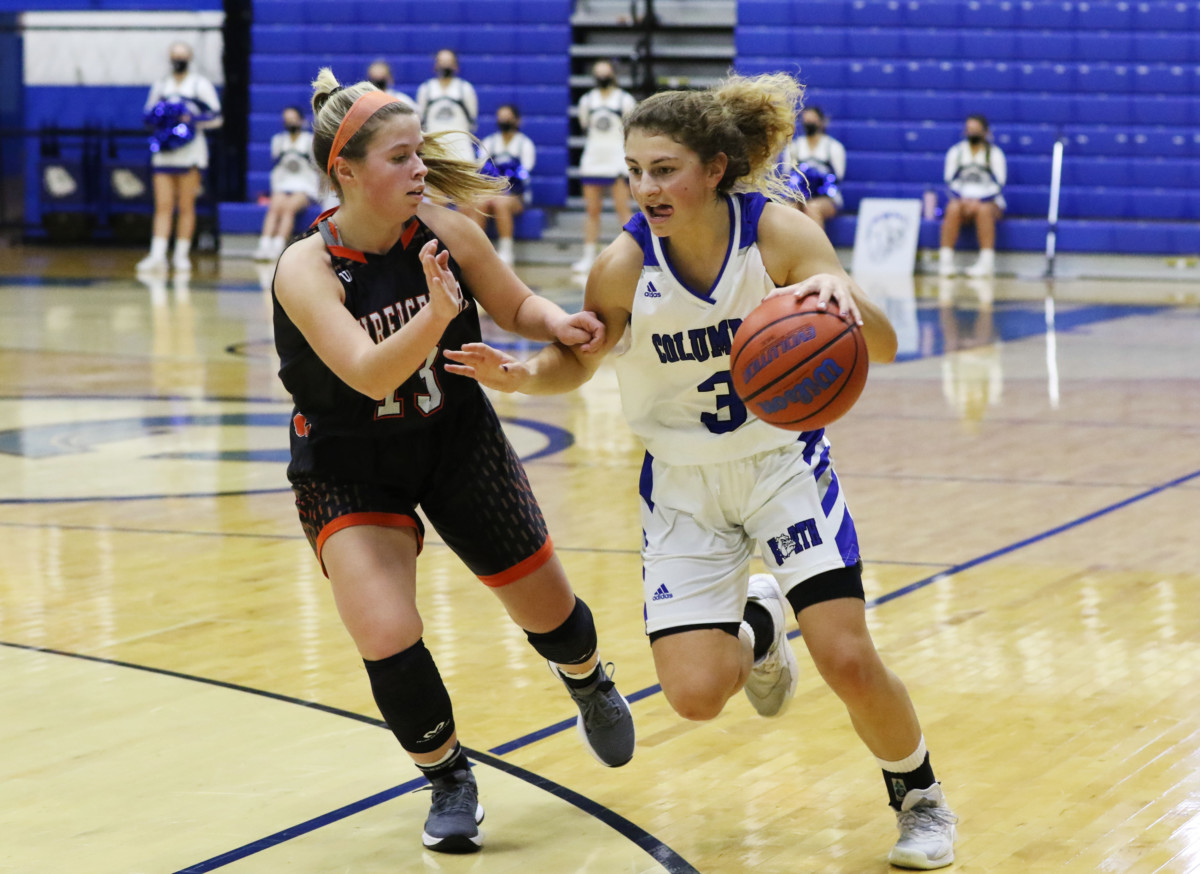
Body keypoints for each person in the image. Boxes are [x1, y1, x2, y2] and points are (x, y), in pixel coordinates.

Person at [444, 73, 959, 870]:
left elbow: (883, 348)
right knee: (693, 697)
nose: (645, 187)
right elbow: (572, 365)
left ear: (714, 169)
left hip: (781, 466)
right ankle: (756, 628)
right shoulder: (621, 266)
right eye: (634, 170)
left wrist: (843, 292)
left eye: (663, 169)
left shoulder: (780, 236)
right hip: (682, 486)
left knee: (846, 656)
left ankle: (919, 797)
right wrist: (520, 376)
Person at [271, 69, 636, 856]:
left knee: (550, 614)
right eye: (401, 158)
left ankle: (587, 676)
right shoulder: (304, 267)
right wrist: (436, 315)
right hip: (348, 464)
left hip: (454, 438)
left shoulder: (444, 226)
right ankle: (447, 776)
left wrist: (556, 324)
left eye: (420, 156)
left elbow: (512, 303)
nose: (419, 171)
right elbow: (369, 372)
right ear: (346, 172)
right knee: (385, 630)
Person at [137, 42, 222, 275]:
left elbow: (216, 117)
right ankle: (157, 255)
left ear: (190, 58)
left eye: (182, 56)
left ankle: (181, 255)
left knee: (186, 205)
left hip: (190, 153)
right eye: (175, 56)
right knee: (163, 205)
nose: (178, 60)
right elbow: (148, 115)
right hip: (164, 153)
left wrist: (190, 120)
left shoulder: (199, 85)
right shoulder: (161, 85)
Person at [572, 59, 636, 275]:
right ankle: (588, 255)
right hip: (592, 160)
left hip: (616, 161)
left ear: (613, 74)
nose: (601, 76)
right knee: (592, 211)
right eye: (597, 72)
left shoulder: (625, 99)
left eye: (605, 72)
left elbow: (631, 130)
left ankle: (632, 253)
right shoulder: (587, 100)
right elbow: (584, 126)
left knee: (622, 209)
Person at [466, 104, 536, 266]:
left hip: (516, 196)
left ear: (517, 120)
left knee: (501, 203)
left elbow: (524, 173)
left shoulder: (524, 144)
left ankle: (506, 250)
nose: (504, 121)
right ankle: (478, 249)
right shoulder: (490, 142)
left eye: (508, 117)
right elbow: (481, 169)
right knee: (479, 202)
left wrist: (505, 181)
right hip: (491, 192)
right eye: (501, 117)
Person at [939, 114, 1006, 278]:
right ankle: (945, 261)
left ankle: (986, 263)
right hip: (961, 200)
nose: (972, 133)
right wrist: (964, 200)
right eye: (969, 130)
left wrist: (979, 201)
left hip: (988, 201)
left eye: (976, 130)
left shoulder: (994, 154)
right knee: (952, 208)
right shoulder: (957, 152)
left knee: (984, 210)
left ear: (985, 132)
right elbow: (948, 181)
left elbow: (999, 183)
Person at [253, 106, 320, 262]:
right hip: (283, 185)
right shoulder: (278, 140)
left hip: (305, 187)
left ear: (302, 121)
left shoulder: (310, 141)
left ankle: (278, 245)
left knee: (289, 208)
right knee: (275, 206)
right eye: (287, 120)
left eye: (293, 119)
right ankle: (264, 244)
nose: (290, 123)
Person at [786, 105, 845, 230]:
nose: (809, 123)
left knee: (812, 208)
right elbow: (787, 174)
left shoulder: (833, 147)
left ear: (821, 122)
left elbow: (838, 176)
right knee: (788, 209)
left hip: (827, 197)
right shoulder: (794, 147)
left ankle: (818, 249)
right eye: (806, 121)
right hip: (798, 196)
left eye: (812, 120)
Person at [415, 49, 477, 163]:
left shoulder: (465, 88)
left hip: (460, 146)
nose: (445, 64)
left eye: (449, 61)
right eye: (442, 61)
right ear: (435, 65)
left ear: (456, 65)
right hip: (434, 146)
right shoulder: (426, 89)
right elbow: (420, 120)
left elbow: (472, 119)